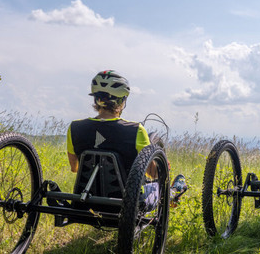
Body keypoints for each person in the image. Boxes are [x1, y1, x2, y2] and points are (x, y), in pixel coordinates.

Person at [66, 70, 187, 209]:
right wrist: (163, 166)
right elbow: (153, 174)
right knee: (157, 187)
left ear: (96, 99)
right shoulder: (136, 130)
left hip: (86, 201)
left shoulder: (75, 128)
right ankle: (174, 191)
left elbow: (75, 168)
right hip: (127, 205)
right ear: (121, 101)